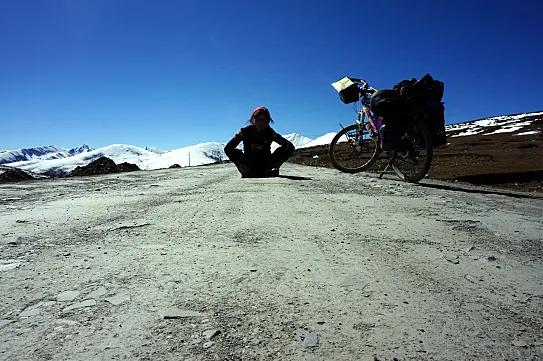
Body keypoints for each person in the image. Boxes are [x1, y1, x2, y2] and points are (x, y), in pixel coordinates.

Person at [224, 106, 295, 178]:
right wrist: (239, 163)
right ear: (252, 119)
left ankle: (270, 169)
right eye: (257, 119)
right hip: (249, 163)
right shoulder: (244, 132)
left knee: (284, 148)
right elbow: (228, 148)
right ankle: (245, 170)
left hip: (266, 164)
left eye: (263, 119)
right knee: (234, 151)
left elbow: (289, 146)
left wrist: (276, 163)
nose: (260, 122)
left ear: (268, 121)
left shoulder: (270, 133)